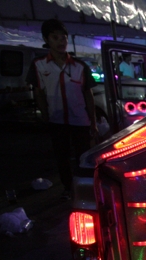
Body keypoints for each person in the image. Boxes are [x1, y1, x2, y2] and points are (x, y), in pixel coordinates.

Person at [26, 19, 98, 199]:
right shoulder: (39, 65)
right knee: (62, 157)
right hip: (56, 120)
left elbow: (88, 95)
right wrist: (45, 115)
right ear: (46, 39)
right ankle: (68, 188)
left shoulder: (80, 66)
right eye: (55, 37)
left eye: (63, 37)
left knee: (83, 157)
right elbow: (39, 93)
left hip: (80, 120)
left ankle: (86, 189)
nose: (61, 41)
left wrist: (93, 122)